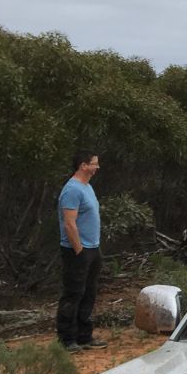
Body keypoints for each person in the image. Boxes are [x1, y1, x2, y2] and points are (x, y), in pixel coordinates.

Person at [57, 150, 108, 351]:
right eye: (94, 163)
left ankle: (84, 336)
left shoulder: (87, 187)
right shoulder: (71, 190)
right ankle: (67, 340)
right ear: (83, 165)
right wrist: (79, 250)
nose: (97, 167)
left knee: (89, 292)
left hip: (93, 248)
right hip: (77, 251)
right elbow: (69, 224)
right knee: (73, 293)